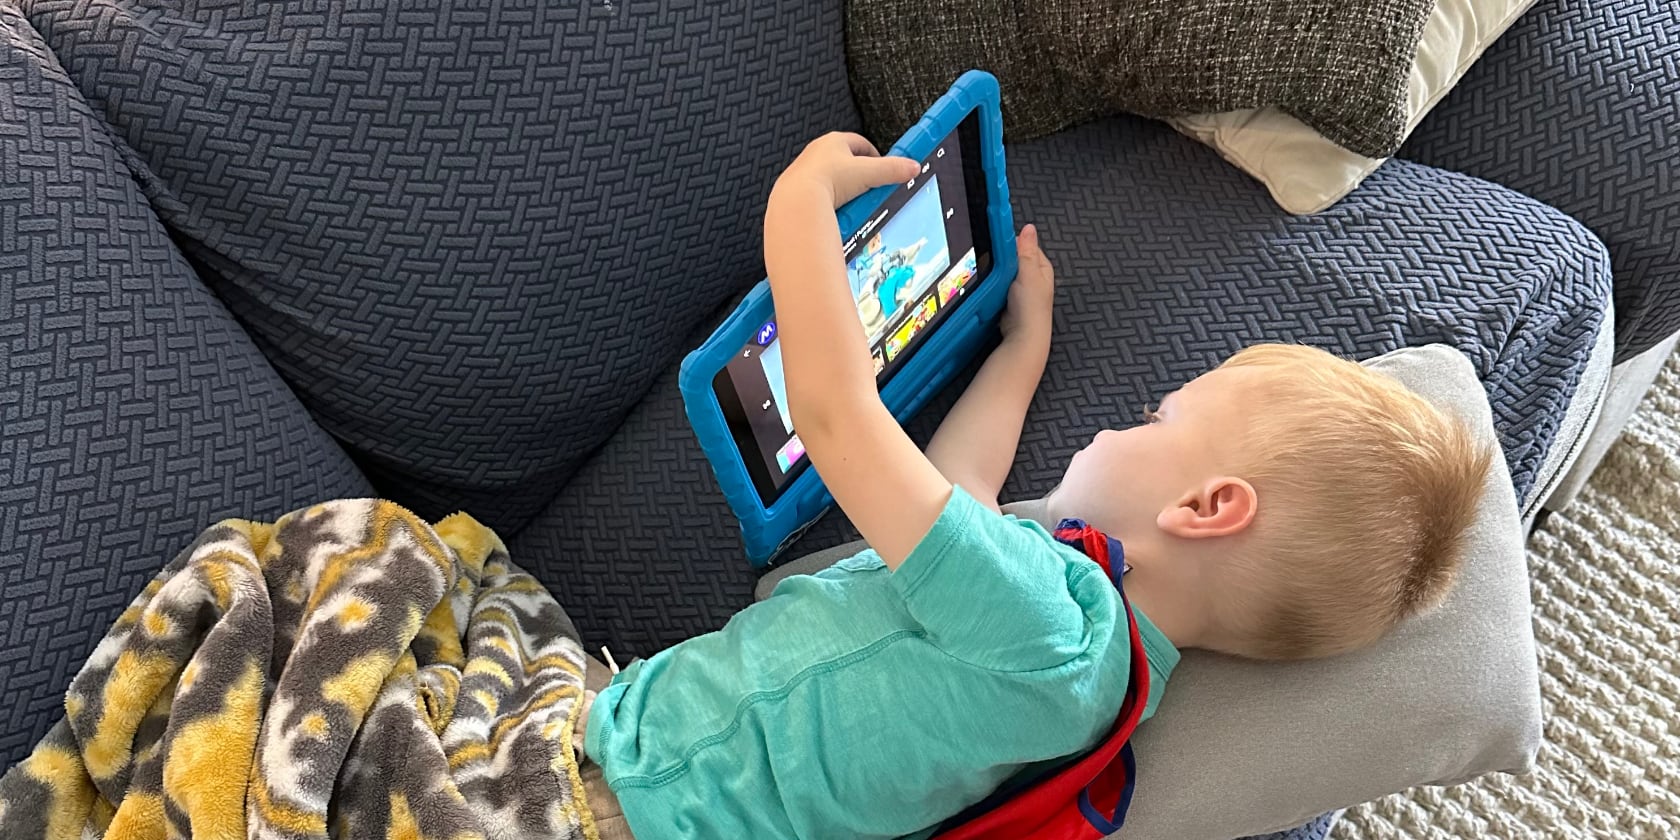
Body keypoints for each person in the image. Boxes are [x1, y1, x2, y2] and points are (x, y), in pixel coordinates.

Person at [577, 133, 1494, 840]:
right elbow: (962, 482)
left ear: (1209, 509)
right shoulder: (1087, 659)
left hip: (638, 798)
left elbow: (835, 419)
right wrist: (1024, 350)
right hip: (654, 753)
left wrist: (799, 206)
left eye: (1157, 418)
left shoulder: (1044, 624)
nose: (1121, 425)